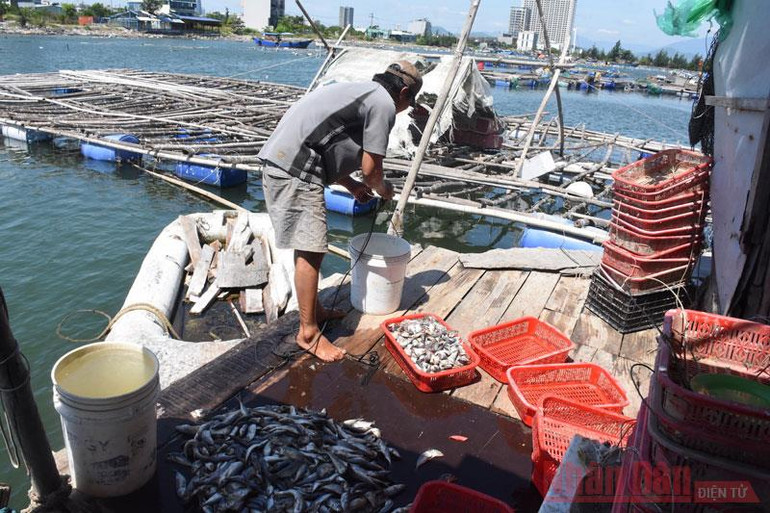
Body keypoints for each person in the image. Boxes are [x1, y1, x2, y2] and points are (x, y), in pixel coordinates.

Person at [258, 61, 423, 362]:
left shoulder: (364, 92)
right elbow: (371, 170)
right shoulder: (383, 104)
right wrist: (383, 188)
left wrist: (351, 185)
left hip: (287, 161)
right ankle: (308, 333)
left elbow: (327, 143)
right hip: (294, 168)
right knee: (311, 249)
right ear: (403, 93)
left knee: (311, 247)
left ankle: (315, 311)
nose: (405, 109)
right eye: (409, 103)